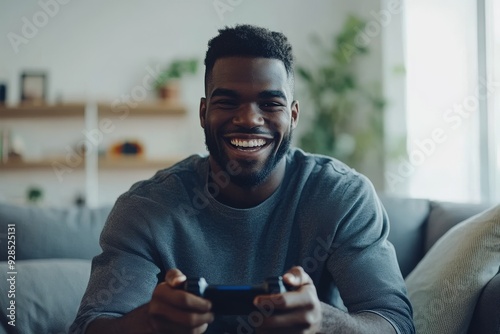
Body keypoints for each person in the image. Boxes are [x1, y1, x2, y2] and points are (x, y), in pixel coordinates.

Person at [70, 24, 414, 334]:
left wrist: (324, 323)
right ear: (203, 113)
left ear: (293, 116)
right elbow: (90, 326)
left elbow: (395, 322)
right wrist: (148, 323)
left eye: (270, 103)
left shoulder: (343, 197)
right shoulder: (145, 210)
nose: (249, 118)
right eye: (228, 101)